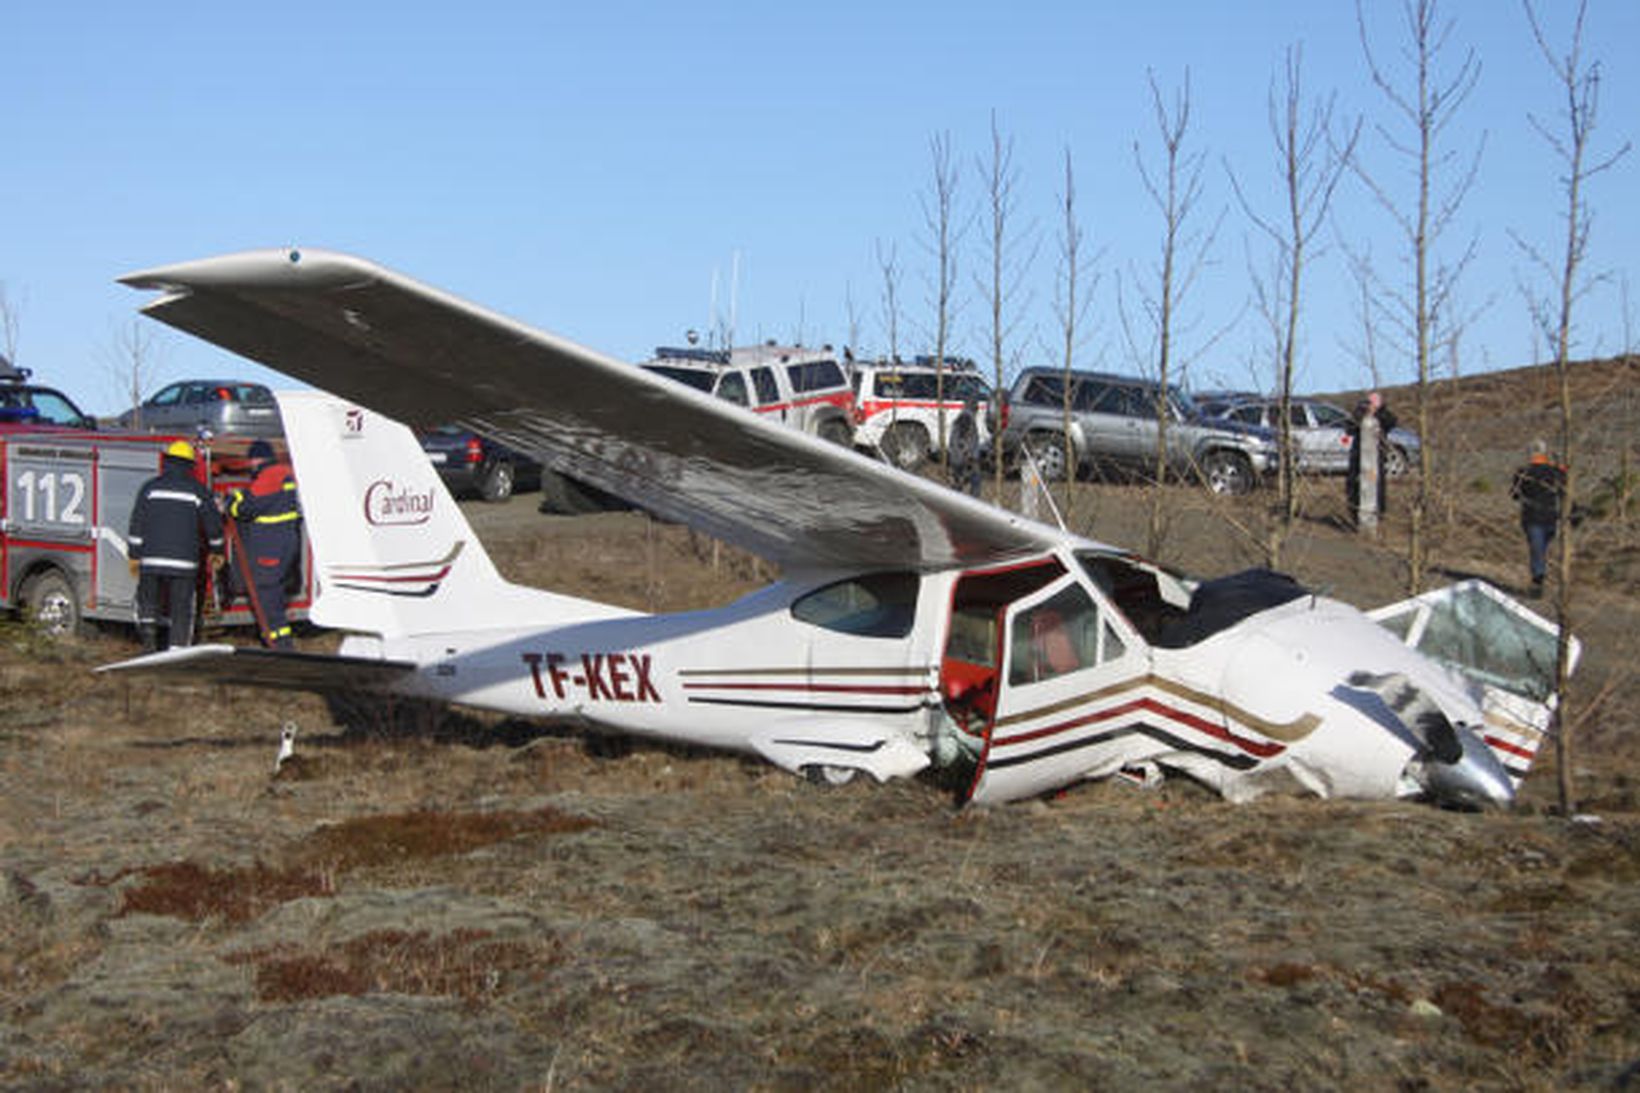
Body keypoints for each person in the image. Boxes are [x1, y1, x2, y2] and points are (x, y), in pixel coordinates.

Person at [127, 439, 225, 652]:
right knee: (181, 607)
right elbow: (213, 526)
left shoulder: (150, 488)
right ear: (190, 465)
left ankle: (149, 645)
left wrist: (134, 555)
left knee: (148, 601)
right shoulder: (198, 491)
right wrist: (217, 550)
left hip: (151, 560)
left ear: (168, 462)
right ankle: (177, 651)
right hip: (184, 563)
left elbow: (136, 525)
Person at [225, 439, 303, 648]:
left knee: (267, 597)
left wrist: (231, 501)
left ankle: (279, 645)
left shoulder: (270, 476)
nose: (250, 465)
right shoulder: (286, 473)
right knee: (273, 596)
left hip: (270, 546)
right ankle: (278, 641)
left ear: (257, 459)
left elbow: (246, 508)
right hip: (284, 544)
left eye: (251, 461)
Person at [1509, 439, 1566, 598]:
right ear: (1545, 452)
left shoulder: (1523, 472)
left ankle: (1538, 583)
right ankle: (1540, 580)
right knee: (1542, 550)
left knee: (1537, 550)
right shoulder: (1556, 472)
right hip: (1551, 517)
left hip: (1531, 517)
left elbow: (1515, 495)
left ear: (1529, 453)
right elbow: (1564, 491)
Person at [1345, 390, 1397, 524]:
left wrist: (1377, 414)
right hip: (1358, 456)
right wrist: (1361, 413)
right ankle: (1355, 513)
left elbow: (1391, 422)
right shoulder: (1359, 414)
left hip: (1375, 458)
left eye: (1374, 403)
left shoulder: (1384, 416)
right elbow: (1349, 427)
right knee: (1353, 485)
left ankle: (1377, 515)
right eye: (1369, 403)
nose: (1371, 406)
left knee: (1375, 485)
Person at [947, 397, 983, 497]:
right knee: (976, 481)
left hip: (957, 457)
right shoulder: (966, 417)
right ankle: (973, 504)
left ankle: (955, 504)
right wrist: (968, 454)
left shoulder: (962, 416)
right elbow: (961, 438)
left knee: (958, 483)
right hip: (964, 458)